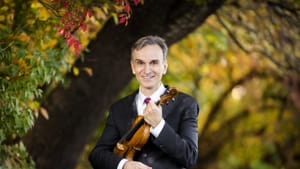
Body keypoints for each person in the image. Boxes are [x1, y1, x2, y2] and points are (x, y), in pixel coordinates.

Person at [89, 35, 199, 169]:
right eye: (140, 63)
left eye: (153, 63)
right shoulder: (119, 108)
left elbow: (190, 157)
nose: (147, 70)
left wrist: (159, 125)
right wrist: (125, 165)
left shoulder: (186, 104)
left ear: (164, 67)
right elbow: (97, 155)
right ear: (133, 67)